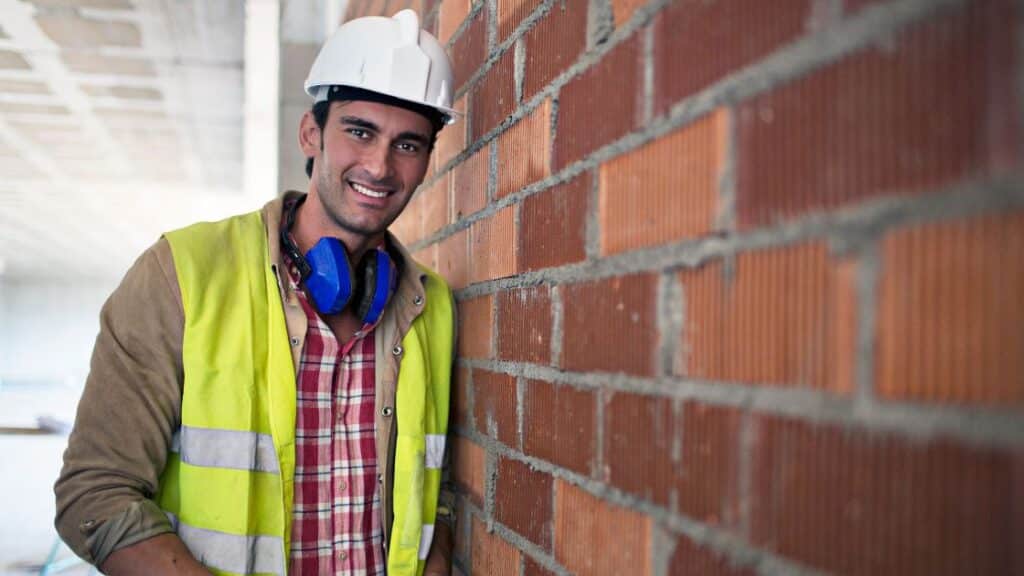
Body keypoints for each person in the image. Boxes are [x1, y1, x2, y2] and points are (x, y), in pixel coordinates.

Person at [54, 10, 458, 576]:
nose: (379, 165)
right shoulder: (182, 273)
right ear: (311, 133)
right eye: (359, 130)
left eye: (408, 145)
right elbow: (93, 497)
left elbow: (430, 496)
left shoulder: (430, 307)